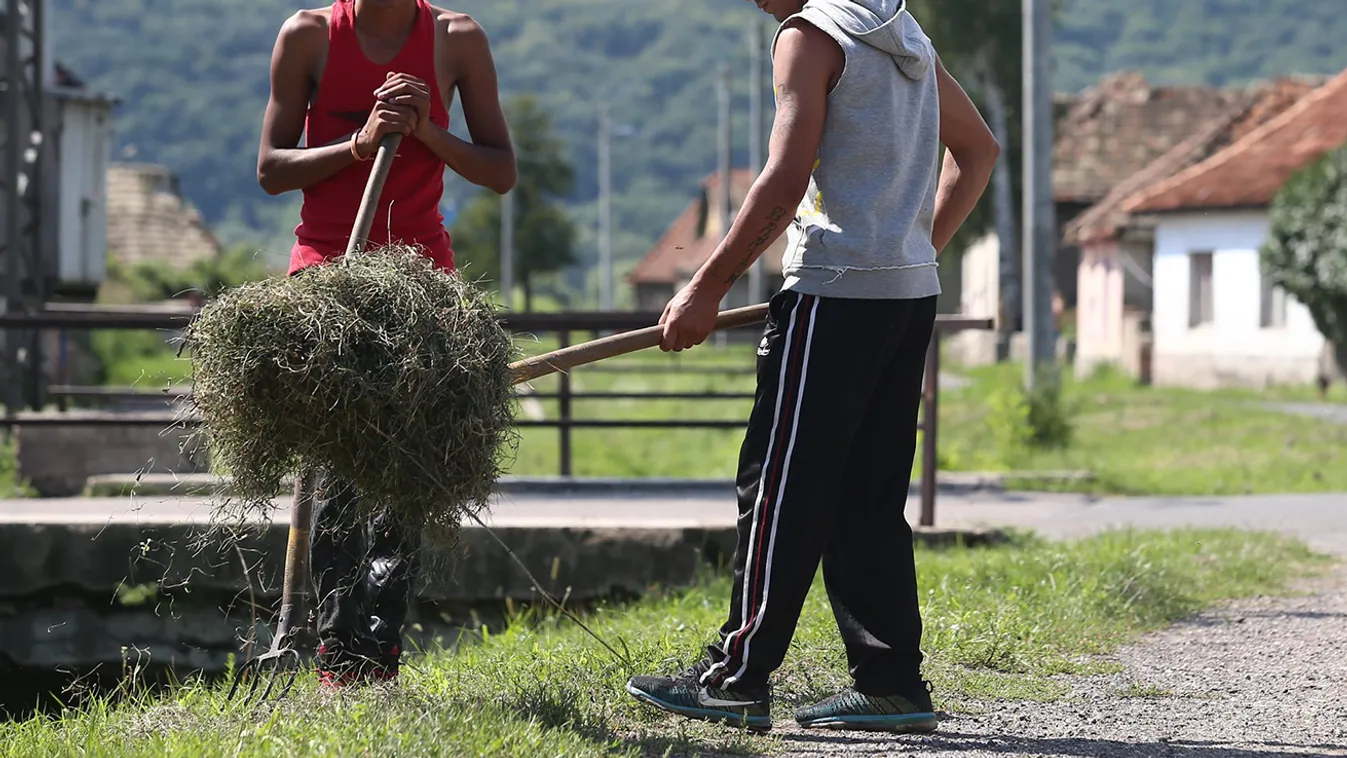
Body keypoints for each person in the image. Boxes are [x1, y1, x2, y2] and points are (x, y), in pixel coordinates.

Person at [625, 0, 998, 734]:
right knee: (867, 495)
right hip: (905, 295)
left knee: (780, 491)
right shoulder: (902, 31)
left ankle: (734, 679)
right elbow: (978, 151)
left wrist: (703, 286)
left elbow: (784, 177)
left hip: (832, 298)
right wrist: (907, 253)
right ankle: (890, 683)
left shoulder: (809, 36)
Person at [255, 0, 515, 686]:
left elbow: (499, 170)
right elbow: (272, 169)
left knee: (407, 472)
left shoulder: (456, 40)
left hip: (419, 280)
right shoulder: (309, 36)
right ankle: (336, 653)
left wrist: (427, 131)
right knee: (337, 464)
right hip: (328, 278)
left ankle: (381, 648)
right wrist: (359, 144)